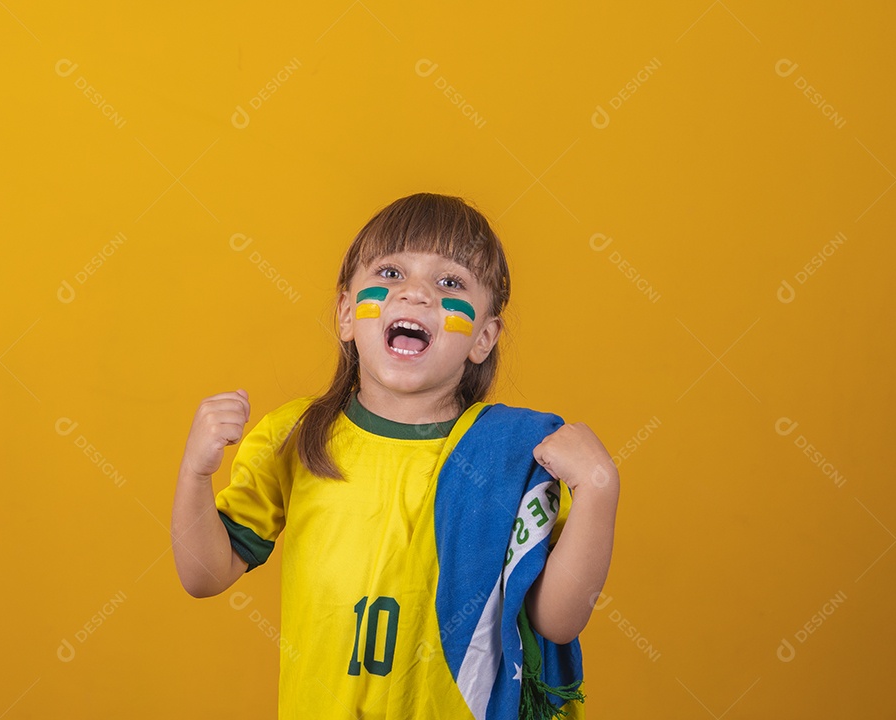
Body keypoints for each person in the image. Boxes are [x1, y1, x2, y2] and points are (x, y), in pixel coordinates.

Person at [172, 192, 619, 719]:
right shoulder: (294, 435)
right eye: (390, 272)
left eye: (450, 282)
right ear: (345, 313)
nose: (415, 294)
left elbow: (556, 621)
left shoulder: (512, 459)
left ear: (484, 337)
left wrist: (598, 489)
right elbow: (204, 574)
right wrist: (196, 473)